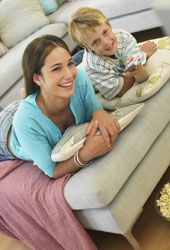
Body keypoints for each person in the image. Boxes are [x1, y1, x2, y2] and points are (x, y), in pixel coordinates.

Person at [0, 34, 120, 179]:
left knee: (81, 56)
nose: (69, 75)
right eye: (56, 69)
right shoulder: (25, 121)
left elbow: (94, 111)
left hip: (39, 99)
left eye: (70, 64)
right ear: (37, 78)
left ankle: (29, 93)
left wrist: (98, 112)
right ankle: (28, 95)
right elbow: (52, 171)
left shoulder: (80, 78)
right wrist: (84, 155)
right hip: (7, 131)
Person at [68, 7, 157, 101]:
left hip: (97, 57)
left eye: (105, 32)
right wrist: (142, 54)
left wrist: (137, 64)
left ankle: (83, 53)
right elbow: (122, 90)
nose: (106, 42)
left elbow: (137, 69)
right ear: (88, 48)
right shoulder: (92, 66)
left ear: (109, 25)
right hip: (77, 79)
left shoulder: (123, 37)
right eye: (96, 42)